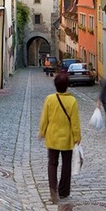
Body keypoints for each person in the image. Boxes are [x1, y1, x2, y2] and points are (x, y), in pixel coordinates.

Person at [38, 71, 82, 203]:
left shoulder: (50, 99)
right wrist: (77, 136)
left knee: (52, 164)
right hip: (66, 139)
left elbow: (44, 118)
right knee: (66, 165)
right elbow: (75, 122)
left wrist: (42, 131)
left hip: (52, 137)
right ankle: (64, 191)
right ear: (67, 86)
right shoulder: (72, 101)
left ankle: (53, 189)